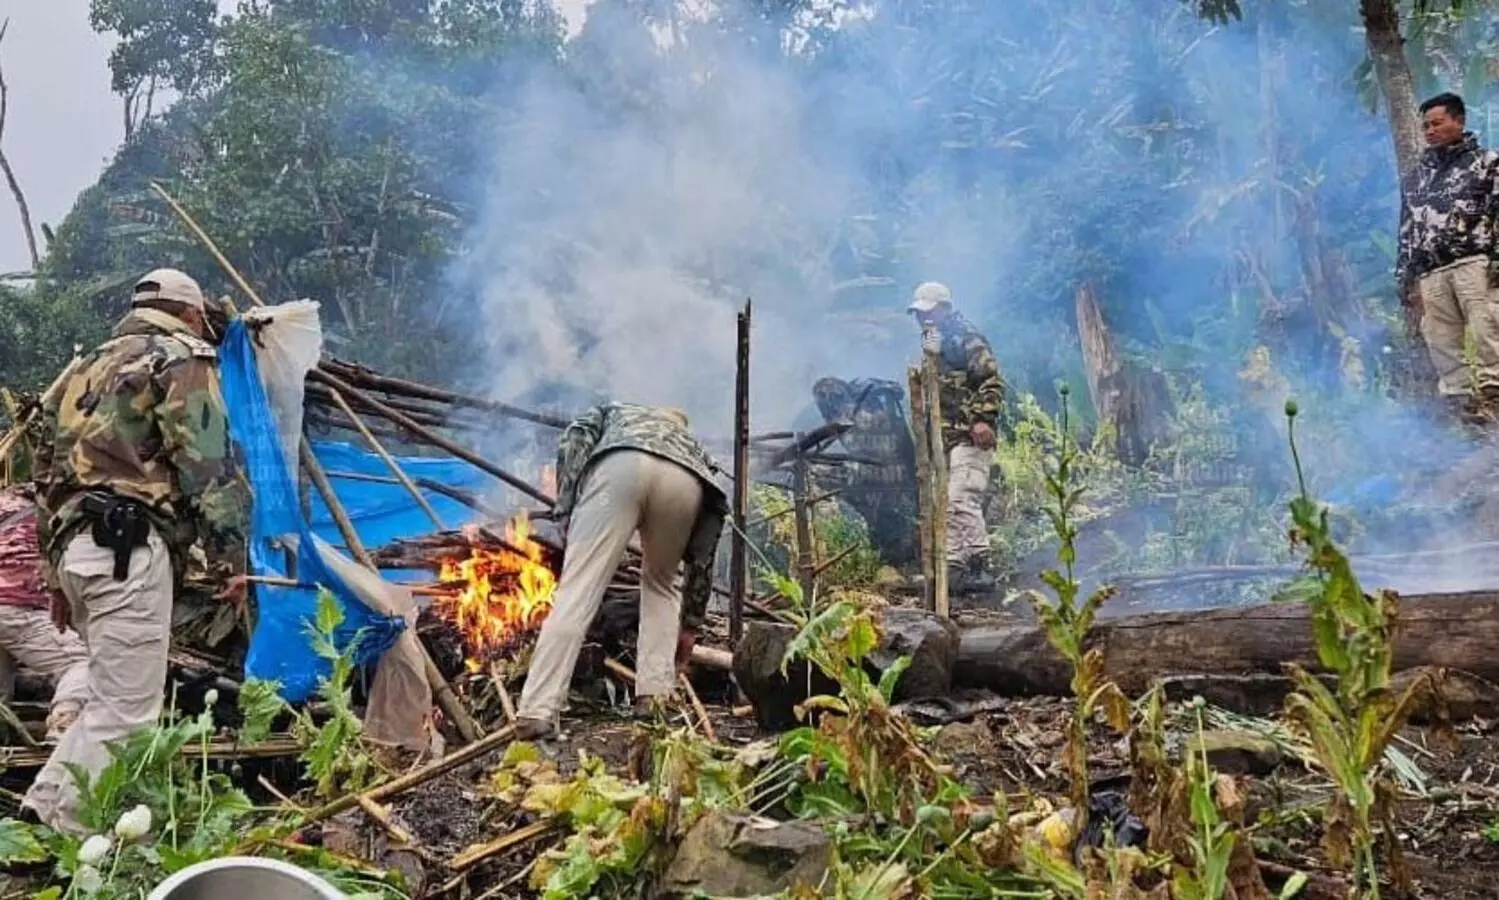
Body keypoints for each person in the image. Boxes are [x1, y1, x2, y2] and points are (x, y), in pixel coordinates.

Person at [24, 268, 250, 832]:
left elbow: (46, 477)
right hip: (127, 550)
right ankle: (75, 837)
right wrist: (233, 559)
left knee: (106, 697)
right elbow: (208, 466)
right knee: (129, 714)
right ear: (193, 314)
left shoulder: (82, 370)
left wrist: (55, 576)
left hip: (78, 552)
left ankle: (44, 806)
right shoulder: (179, 358)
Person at [514, 403, 726, 741]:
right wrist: (692, 623)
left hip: (620, 466)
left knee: (579, 589)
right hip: (683, 482)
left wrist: (566, 506)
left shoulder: (615, 411)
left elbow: (575, 437)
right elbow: (704, 550)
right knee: (662, 584)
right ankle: (654, 700)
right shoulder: (690, 448)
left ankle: (537, 712)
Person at [1396, 92, 1499, 416]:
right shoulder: (1417, 177)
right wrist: (1405, 277)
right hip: (1431, 272)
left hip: (1475, 262)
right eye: (1426, 125)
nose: (1430, 131)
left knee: (1488, 332)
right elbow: (1407, 228)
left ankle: (1495, 402)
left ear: (1459, 121)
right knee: (1441, 342)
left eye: (1438, 123)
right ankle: (1464, 414)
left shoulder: (1487, 162)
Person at [907, 282, 1005, 592]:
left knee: (963, 498)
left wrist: (982, 419)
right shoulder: (933, 342)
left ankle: (979, 566)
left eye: (928, 311)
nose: (923, 318)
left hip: (968, 434)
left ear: (945, 309)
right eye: (919, 313)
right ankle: (953, 568)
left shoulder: (967, 337)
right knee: (946, 502)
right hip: (942, 437)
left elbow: (991, 380)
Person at [0, 485, 89, 741]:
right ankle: (64, 722)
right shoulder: (56, 514)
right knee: (83, 663)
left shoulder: (5, 504)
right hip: (19, 607)